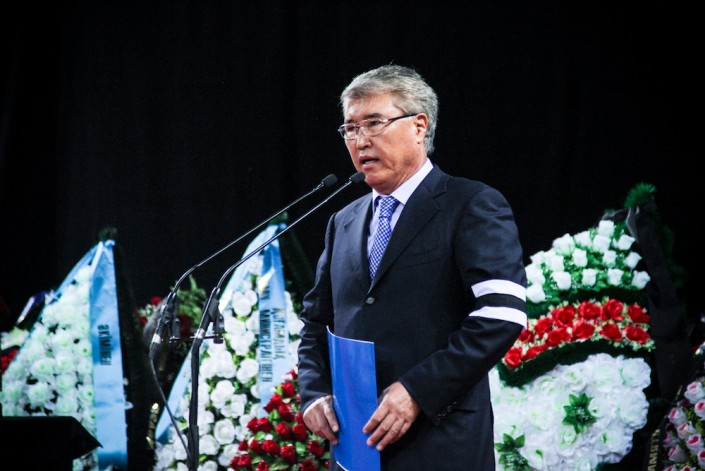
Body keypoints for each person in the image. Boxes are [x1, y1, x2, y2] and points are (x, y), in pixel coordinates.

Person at [296, 64, 527, 470]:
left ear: (419, 126)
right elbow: (317, 322)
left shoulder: (470, 204)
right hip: (355, 449)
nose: (360, 140)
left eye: (374, 123)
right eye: (350, 128)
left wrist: (418, 391)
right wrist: (313, 394)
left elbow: (500, 315)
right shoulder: (343, 222)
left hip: (440, 443)